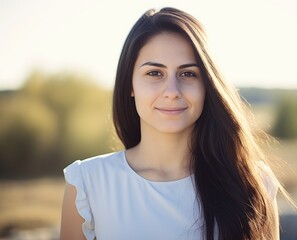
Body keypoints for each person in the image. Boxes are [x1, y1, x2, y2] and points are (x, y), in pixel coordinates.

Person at [60, 7, 281, 240]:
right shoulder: (87, 183)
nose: (172, 92)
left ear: (208, 85)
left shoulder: (252, 182)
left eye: (188, 74)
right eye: (155, 73)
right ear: (130, 85)